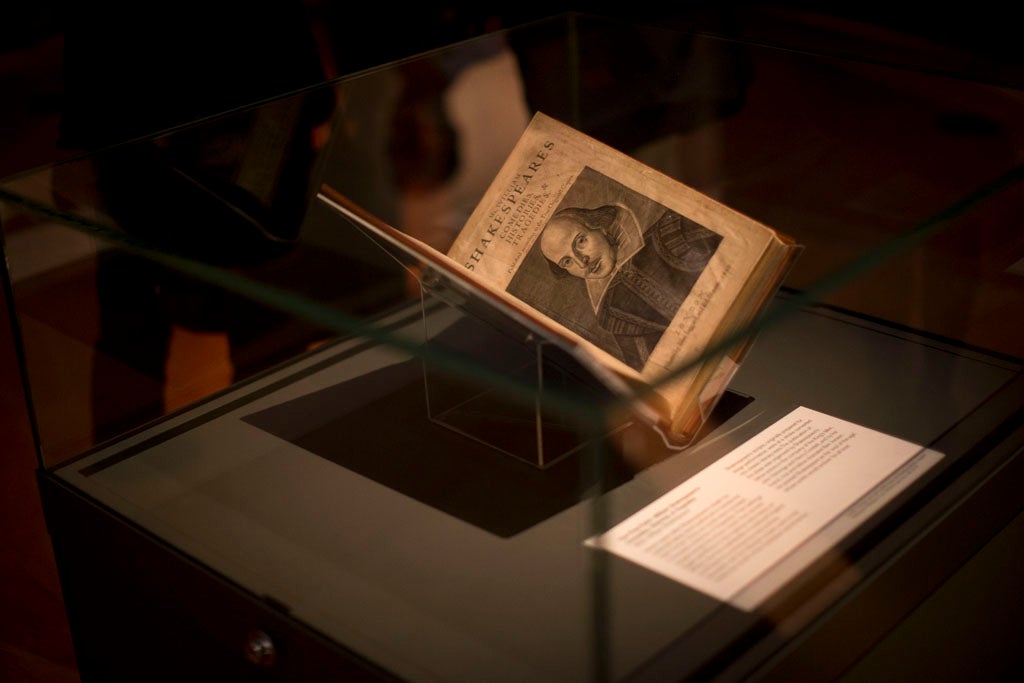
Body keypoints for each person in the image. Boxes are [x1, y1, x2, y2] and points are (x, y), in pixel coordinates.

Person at [539, 203, 721, 371]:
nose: (581, 261)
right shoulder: (613, 314)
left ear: (600, 227)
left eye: (580, 242)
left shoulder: (671, 232)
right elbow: (654, 371)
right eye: (567, 261)